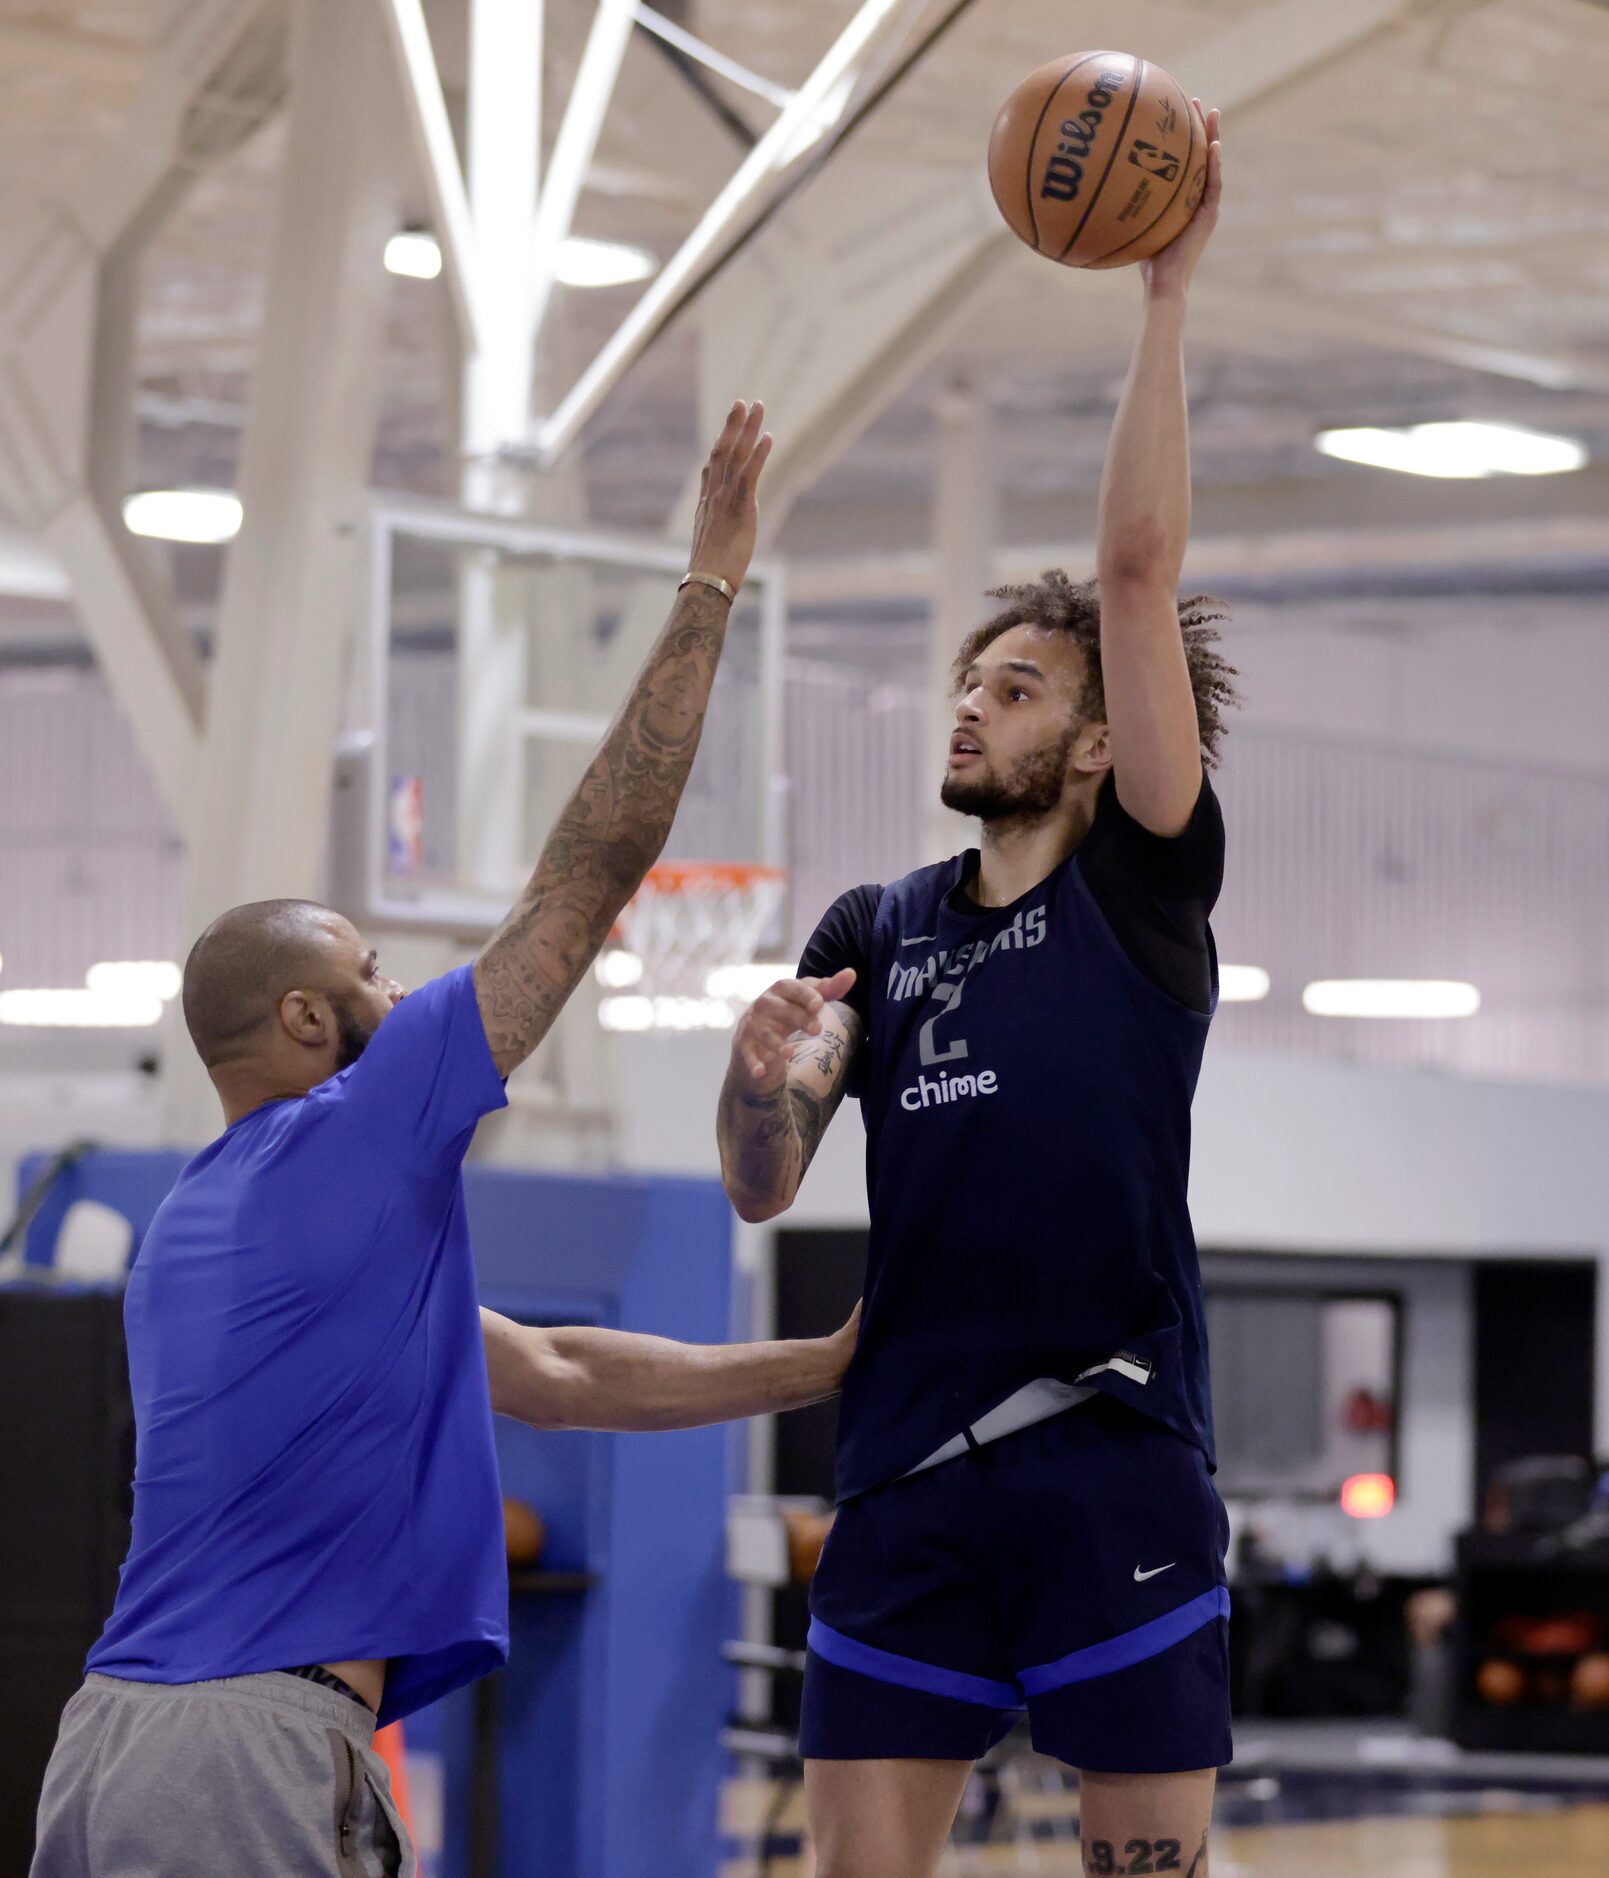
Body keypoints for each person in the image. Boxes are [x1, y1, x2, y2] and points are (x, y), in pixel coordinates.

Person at [30, 401, 856, 1878]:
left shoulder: (203, 1237)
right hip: (245, 1757)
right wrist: (708, 581)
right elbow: (587, 877)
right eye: (366, 975)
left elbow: (551, 1370)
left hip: (111, 1747)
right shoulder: (353, 1126)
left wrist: (829, 1364)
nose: (399, 992)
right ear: (300, 1022)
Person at [716, 114, 1239, 1878]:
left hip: (1110, 1453)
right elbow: (761, 1180)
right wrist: (756, 1076)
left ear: (1096, 740)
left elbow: (1138, 575)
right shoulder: (876, 919)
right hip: (906, 1473)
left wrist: (1162, 300)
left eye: (1013, 689)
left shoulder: (1143, 885)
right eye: (965, 683)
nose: (969, 708)